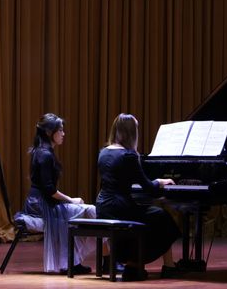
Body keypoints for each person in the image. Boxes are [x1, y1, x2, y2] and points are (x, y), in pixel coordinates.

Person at [95, 113, 181, 281]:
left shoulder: (103, 152)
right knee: (162, 217)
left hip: (103, 205)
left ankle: (133, 264)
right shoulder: (129, 156)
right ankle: (168, 266)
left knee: (150, 216)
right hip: (120, 207)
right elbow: (149, 188)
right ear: (131, 132)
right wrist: (160, 182)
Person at [24, 113, 96, 274]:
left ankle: (74, 260)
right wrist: (71, 200)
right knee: (91, 211)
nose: (64, 134)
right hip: (40, 205)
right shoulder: (45, 154)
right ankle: (74, 262)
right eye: (60, 130)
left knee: (85, 212)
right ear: (50, 132)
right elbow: (49, 190)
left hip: (39, 201)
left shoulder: (42, 151)